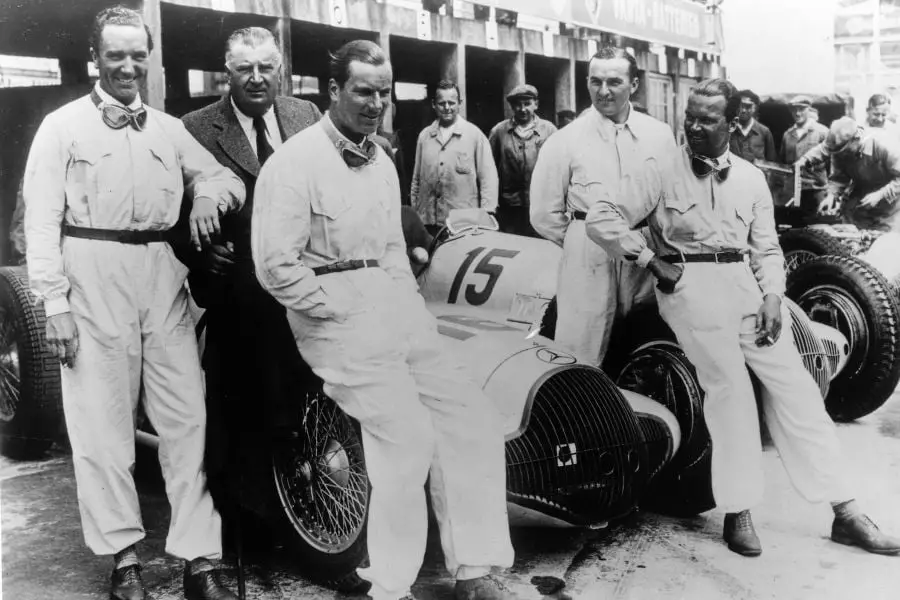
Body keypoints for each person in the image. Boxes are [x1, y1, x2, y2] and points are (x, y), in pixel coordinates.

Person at [589, 77, 900, 559]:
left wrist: (774, 295)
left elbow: (767, 248)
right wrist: (650, 261)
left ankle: (846, 510)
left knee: (795, 388)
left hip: (746, 289)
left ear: (732, 123)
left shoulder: (752, 178)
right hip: (689, 286)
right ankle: (739, 510)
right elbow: (600, 217)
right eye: (689, 116)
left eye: (707, 118)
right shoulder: (658, 169)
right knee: (730, 391)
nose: (693, 125)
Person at [251, 40, 517, 600]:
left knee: (471, 415)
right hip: (332, 318)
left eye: (384, 93)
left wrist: (404, 305)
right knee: (408, 435)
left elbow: (394, 250)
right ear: (333, 91)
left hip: (394, 306)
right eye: (363, 91)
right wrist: (336, 308)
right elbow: (275, 266)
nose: (375, 104)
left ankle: (475, 569)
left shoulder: (381, 160)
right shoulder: (294, 162)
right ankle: (391, 585)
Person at [22, 6, 245, 600]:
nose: (127, 66)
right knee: (103, 427)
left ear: (150, 58)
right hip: (92, 279)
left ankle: (201, 559)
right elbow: (40, 223)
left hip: (161, 279)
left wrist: (206, 196)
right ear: (95, 59)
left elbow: (229, 179)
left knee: (185, 420)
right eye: (115, 55)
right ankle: (125, 560)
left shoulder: (170, 130)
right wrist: (54, 304)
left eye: (137, 55)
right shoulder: (62, 127)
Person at [178, 27, 322, 520]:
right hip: (238, 299)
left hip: (303, 290)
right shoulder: (195, 127)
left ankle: (317, 524)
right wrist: (200, 254)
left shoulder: (306, 116)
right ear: (227, 72)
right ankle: (248, 531)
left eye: (266, 68)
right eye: (245, 69)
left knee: (309, 409)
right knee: (239, 417)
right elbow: (174, 209)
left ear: (280, 70)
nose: (256, 78)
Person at [529, 46, 669, 367]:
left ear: (634, 85)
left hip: (644, 251)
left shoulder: (658, 136)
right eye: (595, 82)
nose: (603, 91)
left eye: (614, 82)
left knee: (641, 339)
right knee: (580, 347)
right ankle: (581, 414)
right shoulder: (565, 140)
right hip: (587, 253)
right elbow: (543, 213)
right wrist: (581, 239)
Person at [798, 117, 900, 279]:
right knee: (854, 245)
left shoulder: (884, 144)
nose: (840, 156)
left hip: (891, 204)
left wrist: (880, 194)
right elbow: (838, 177)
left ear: (856, 138)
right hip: (861, 200)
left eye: (844, 151)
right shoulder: (840, 148)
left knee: (885, 253)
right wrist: (832, 195)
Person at [411, 80, 498, 234]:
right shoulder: (425, 136)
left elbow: (488, 179)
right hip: (429, 221)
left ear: (460, 103)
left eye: (451, 103)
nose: (447, 108)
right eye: (441, 103)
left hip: (463, 223)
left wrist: (486, 214)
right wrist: (416, 211)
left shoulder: (474, 135)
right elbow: (416, 179)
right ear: (433, 104)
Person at [488, 84, 557, 237]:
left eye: (527, 104)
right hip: (509, 207)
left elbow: (559, 168)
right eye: (518, 104)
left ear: (536, 105)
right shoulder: (499, 131)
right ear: (512, 107)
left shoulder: (549, 130)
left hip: (541, 205)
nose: (523, 109)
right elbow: (489, 170)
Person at [779, 95, 829, 213]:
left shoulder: (822, 132)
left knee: (819, 227)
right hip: (794, 192)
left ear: (809, 109)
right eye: (794, 110)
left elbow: (834, 165)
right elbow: (782, 163)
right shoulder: (787, 135)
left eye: (801, 109)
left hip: (817, 190)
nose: (797, 113)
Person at [729, 88, 776, 163]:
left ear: (755, 107)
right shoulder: (729, 129)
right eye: (741, 106)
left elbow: (771, 161)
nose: (743, 110)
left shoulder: (764, 131)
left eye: (748, 106)